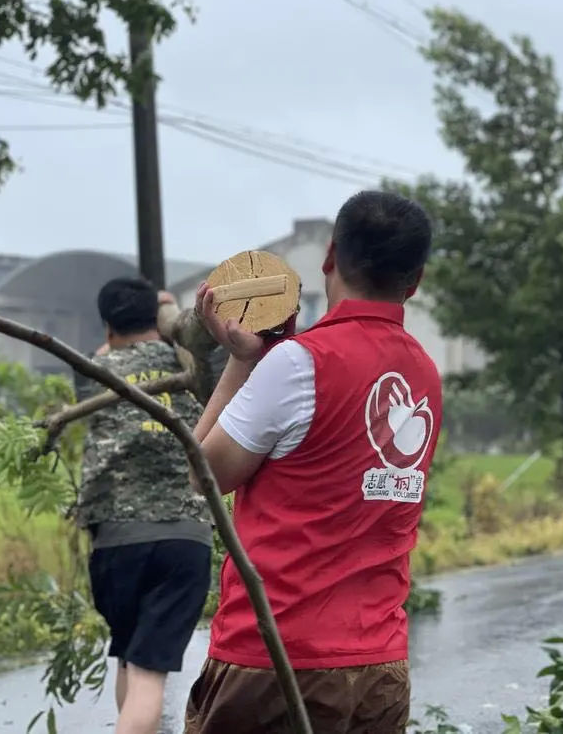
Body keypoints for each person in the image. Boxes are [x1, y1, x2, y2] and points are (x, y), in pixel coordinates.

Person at [185, 190, 443, 734]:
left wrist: (240, 362)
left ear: (329, 258)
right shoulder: (424, 375)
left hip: (278, 661)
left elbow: (203, 475)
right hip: (379, 669)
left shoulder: (300, 363)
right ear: (414, 281)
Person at [74, 277, 213, 734]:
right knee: (149, 676)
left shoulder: (93, 370)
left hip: (114, 540)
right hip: (181, 539)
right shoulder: (188, 366)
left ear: (109, 325)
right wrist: (171, 316)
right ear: (155, 319)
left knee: (130, 659)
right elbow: (196, 345)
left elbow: (105, 352)